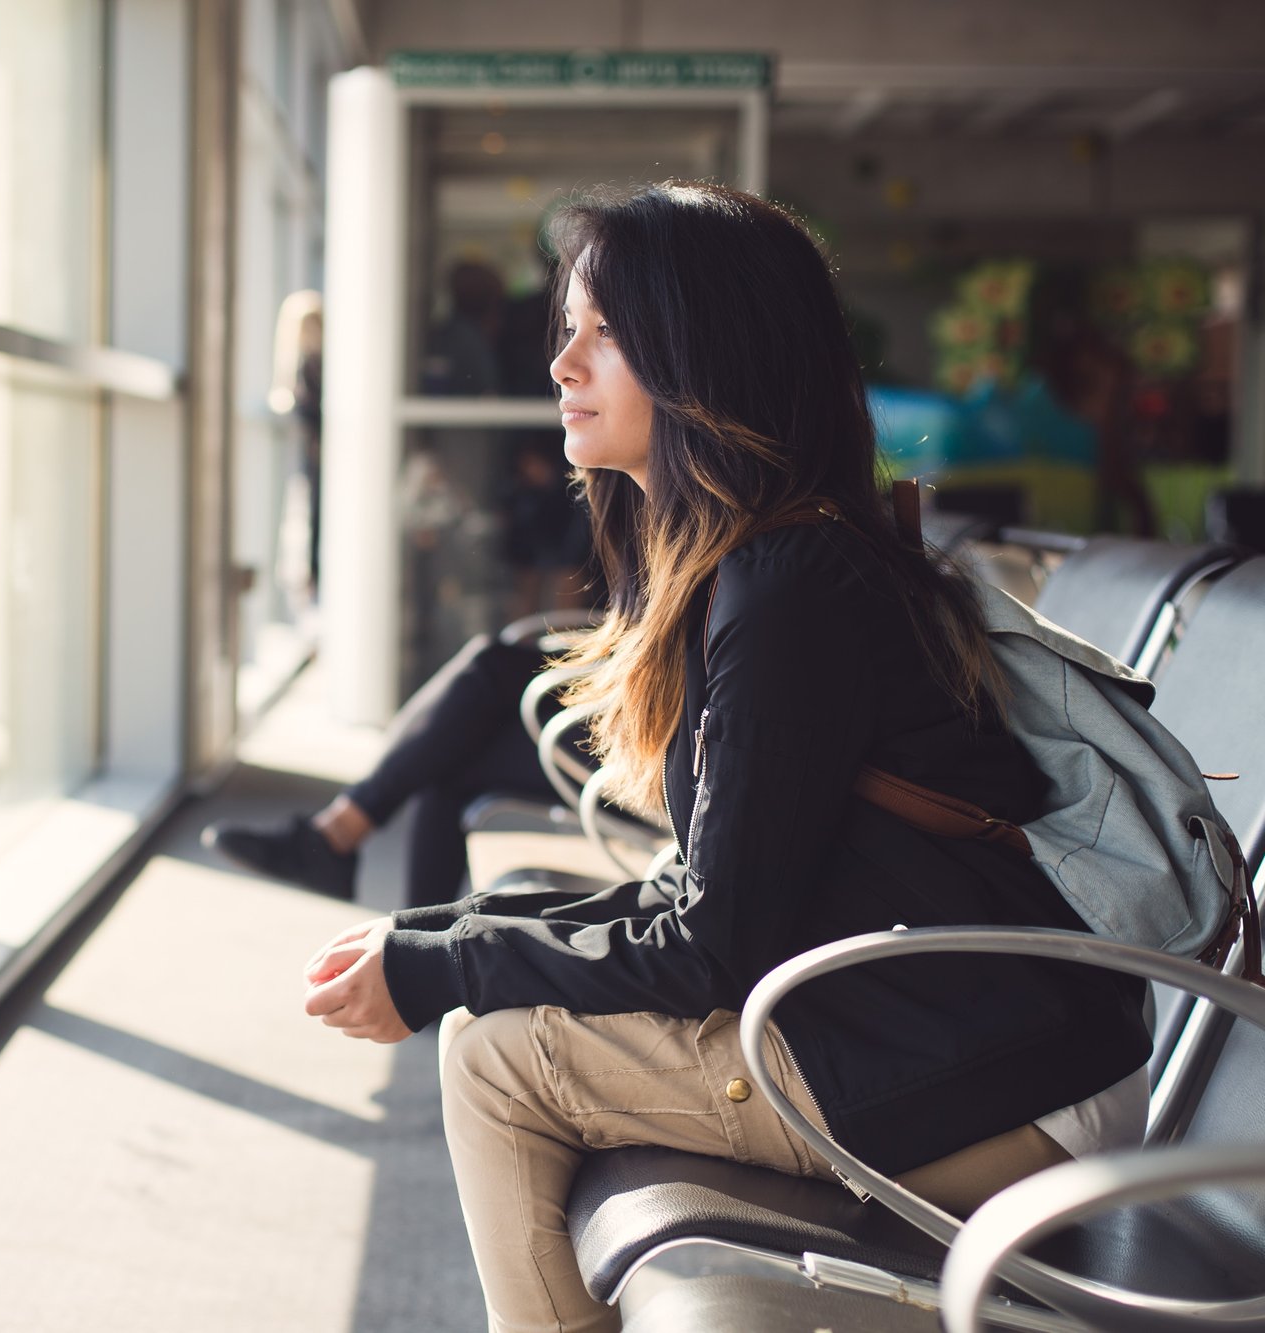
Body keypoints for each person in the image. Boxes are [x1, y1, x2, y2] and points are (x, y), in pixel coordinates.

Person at [297, 182, 1151, 1333]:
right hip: (964, 1031)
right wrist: (441, 936)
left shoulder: (787, 587)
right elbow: (712, 895)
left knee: (496, 1058)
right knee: (486, 1011)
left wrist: (442, 965)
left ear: (704, 356)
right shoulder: (771, 561)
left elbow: (711, 943)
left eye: (605, 335)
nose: (561, 364)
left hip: (1003, 1083)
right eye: (568, 330)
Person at [202, 627, 584, 906]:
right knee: (457, 726)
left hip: (617, 755)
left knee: (461, 723)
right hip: (607, 713)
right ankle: (416, 949)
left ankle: (339, 838)